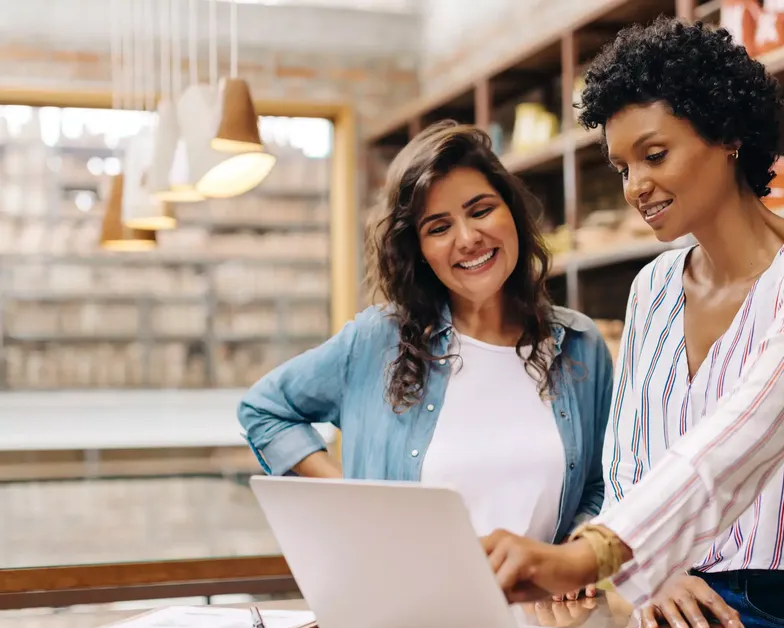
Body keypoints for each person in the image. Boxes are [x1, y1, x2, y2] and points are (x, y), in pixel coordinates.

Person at [482, 17, 784, 628]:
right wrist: (653, 573)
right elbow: (629, 462)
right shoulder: (653, 287)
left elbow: (748, 436)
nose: (635, 185)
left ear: (726, 135)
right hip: (669, 604)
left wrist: (591, 555)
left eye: (654, 155)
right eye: (621, 166)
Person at [238, 121, 614, 570]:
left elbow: (600, 483)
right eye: (438, 227)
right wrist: (350, 494)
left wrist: (576, 557)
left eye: (480, 210)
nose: (468, 238)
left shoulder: (580, 345)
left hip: (542, 624)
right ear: (417, 249)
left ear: (512, 212)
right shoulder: (378, 341)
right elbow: (264, 410)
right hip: (410, 612)